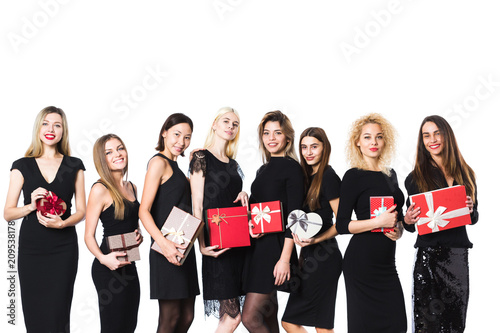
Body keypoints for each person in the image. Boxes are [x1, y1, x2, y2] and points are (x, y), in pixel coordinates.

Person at [4, 106, 86, 332]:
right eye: (45, 123)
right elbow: (8, 213)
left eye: (57, 125)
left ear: (63, 131)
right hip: (32, 249)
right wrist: (30, 205)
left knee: (59, 314)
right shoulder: (22, 165)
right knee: (35, 312)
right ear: (38, 128)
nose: (51, 129)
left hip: (63, 248)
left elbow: (81, 211)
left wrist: (63, 223)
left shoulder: (74, 165)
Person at [403, 115, 478, 333]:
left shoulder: (466, 173)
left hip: (457, 258)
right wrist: (407, 219)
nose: (432, 139)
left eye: (437, 133)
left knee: (456, 323)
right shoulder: (415, 177)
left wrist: (471, 209)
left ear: (447, 137)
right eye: (426, 135)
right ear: (422, 142)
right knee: (427, 325)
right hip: (428, 258)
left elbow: (473, 219)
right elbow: (410, 225)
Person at [335, 113, 407, 333]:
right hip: (361, 264)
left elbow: (398, 217)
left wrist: (399, 230)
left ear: (385, 141)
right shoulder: (353, 176)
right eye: (367, 137)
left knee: (397, 326)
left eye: (378, 137)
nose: (373, 142)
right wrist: (377, 222)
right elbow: (341, 225)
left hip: (387, 264)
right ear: (357, 142)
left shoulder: (391, 175)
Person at [241, 110, 304, 333]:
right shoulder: (262, 169)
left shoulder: (293, 168)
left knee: (249, 317)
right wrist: (248, 213)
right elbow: (260, 209)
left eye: (277, 133)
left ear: (287, 137)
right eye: (266, 133)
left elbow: (295, 216)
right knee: (268, 316)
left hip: (276, 249)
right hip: (258, 248)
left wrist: (285, 259)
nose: (271, 138)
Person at [138, 113, 200, 333]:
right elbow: (143, 210)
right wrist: (163, 244)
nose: (181, 142)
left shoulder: (178, 169)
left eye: (187, 137)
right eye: (176, 134)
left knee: (187, 316)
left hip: (184, 247)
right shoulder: (158, 163)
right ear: (164, 132)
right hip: (165, 248)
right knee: (170, 317)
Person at [190, 107, 248, 332]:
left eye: (235, 124)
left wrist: (244, 194)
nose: (230, 127)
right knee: (233, 317)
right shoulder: (200, 157)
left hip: (239, 244)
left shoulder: (233, 165)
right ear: (214, 124)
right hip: (216, 244)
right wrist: (202, 245)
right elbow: (197, 205)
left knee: (230, 316)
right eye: (226, 121)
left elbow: (232, 200)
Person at [281, 127, 343, 333]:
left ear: (325, 148)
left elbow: (342, 222)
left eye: (314, 146)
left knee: (322, 326)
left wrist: (316, 241)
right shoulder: (306, 177)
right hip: (308, 258)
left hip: (325, 257)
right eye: (304, 147)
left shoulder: (329, 176)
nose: (308, 152)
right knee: (291, 322)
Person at [85, 134, 142, 333]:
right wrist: (103, 259)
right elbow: (88, 235)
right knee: (113, 327)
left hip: (129, 265)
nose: (117, 154)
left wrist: (139, 235)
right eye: (109, 152)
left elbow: (131, 222)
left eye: (120, 148)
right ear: (102, 159)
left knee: (129, 326)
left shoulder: (131, 187)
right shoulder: (99, 189)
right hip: (107, 268)